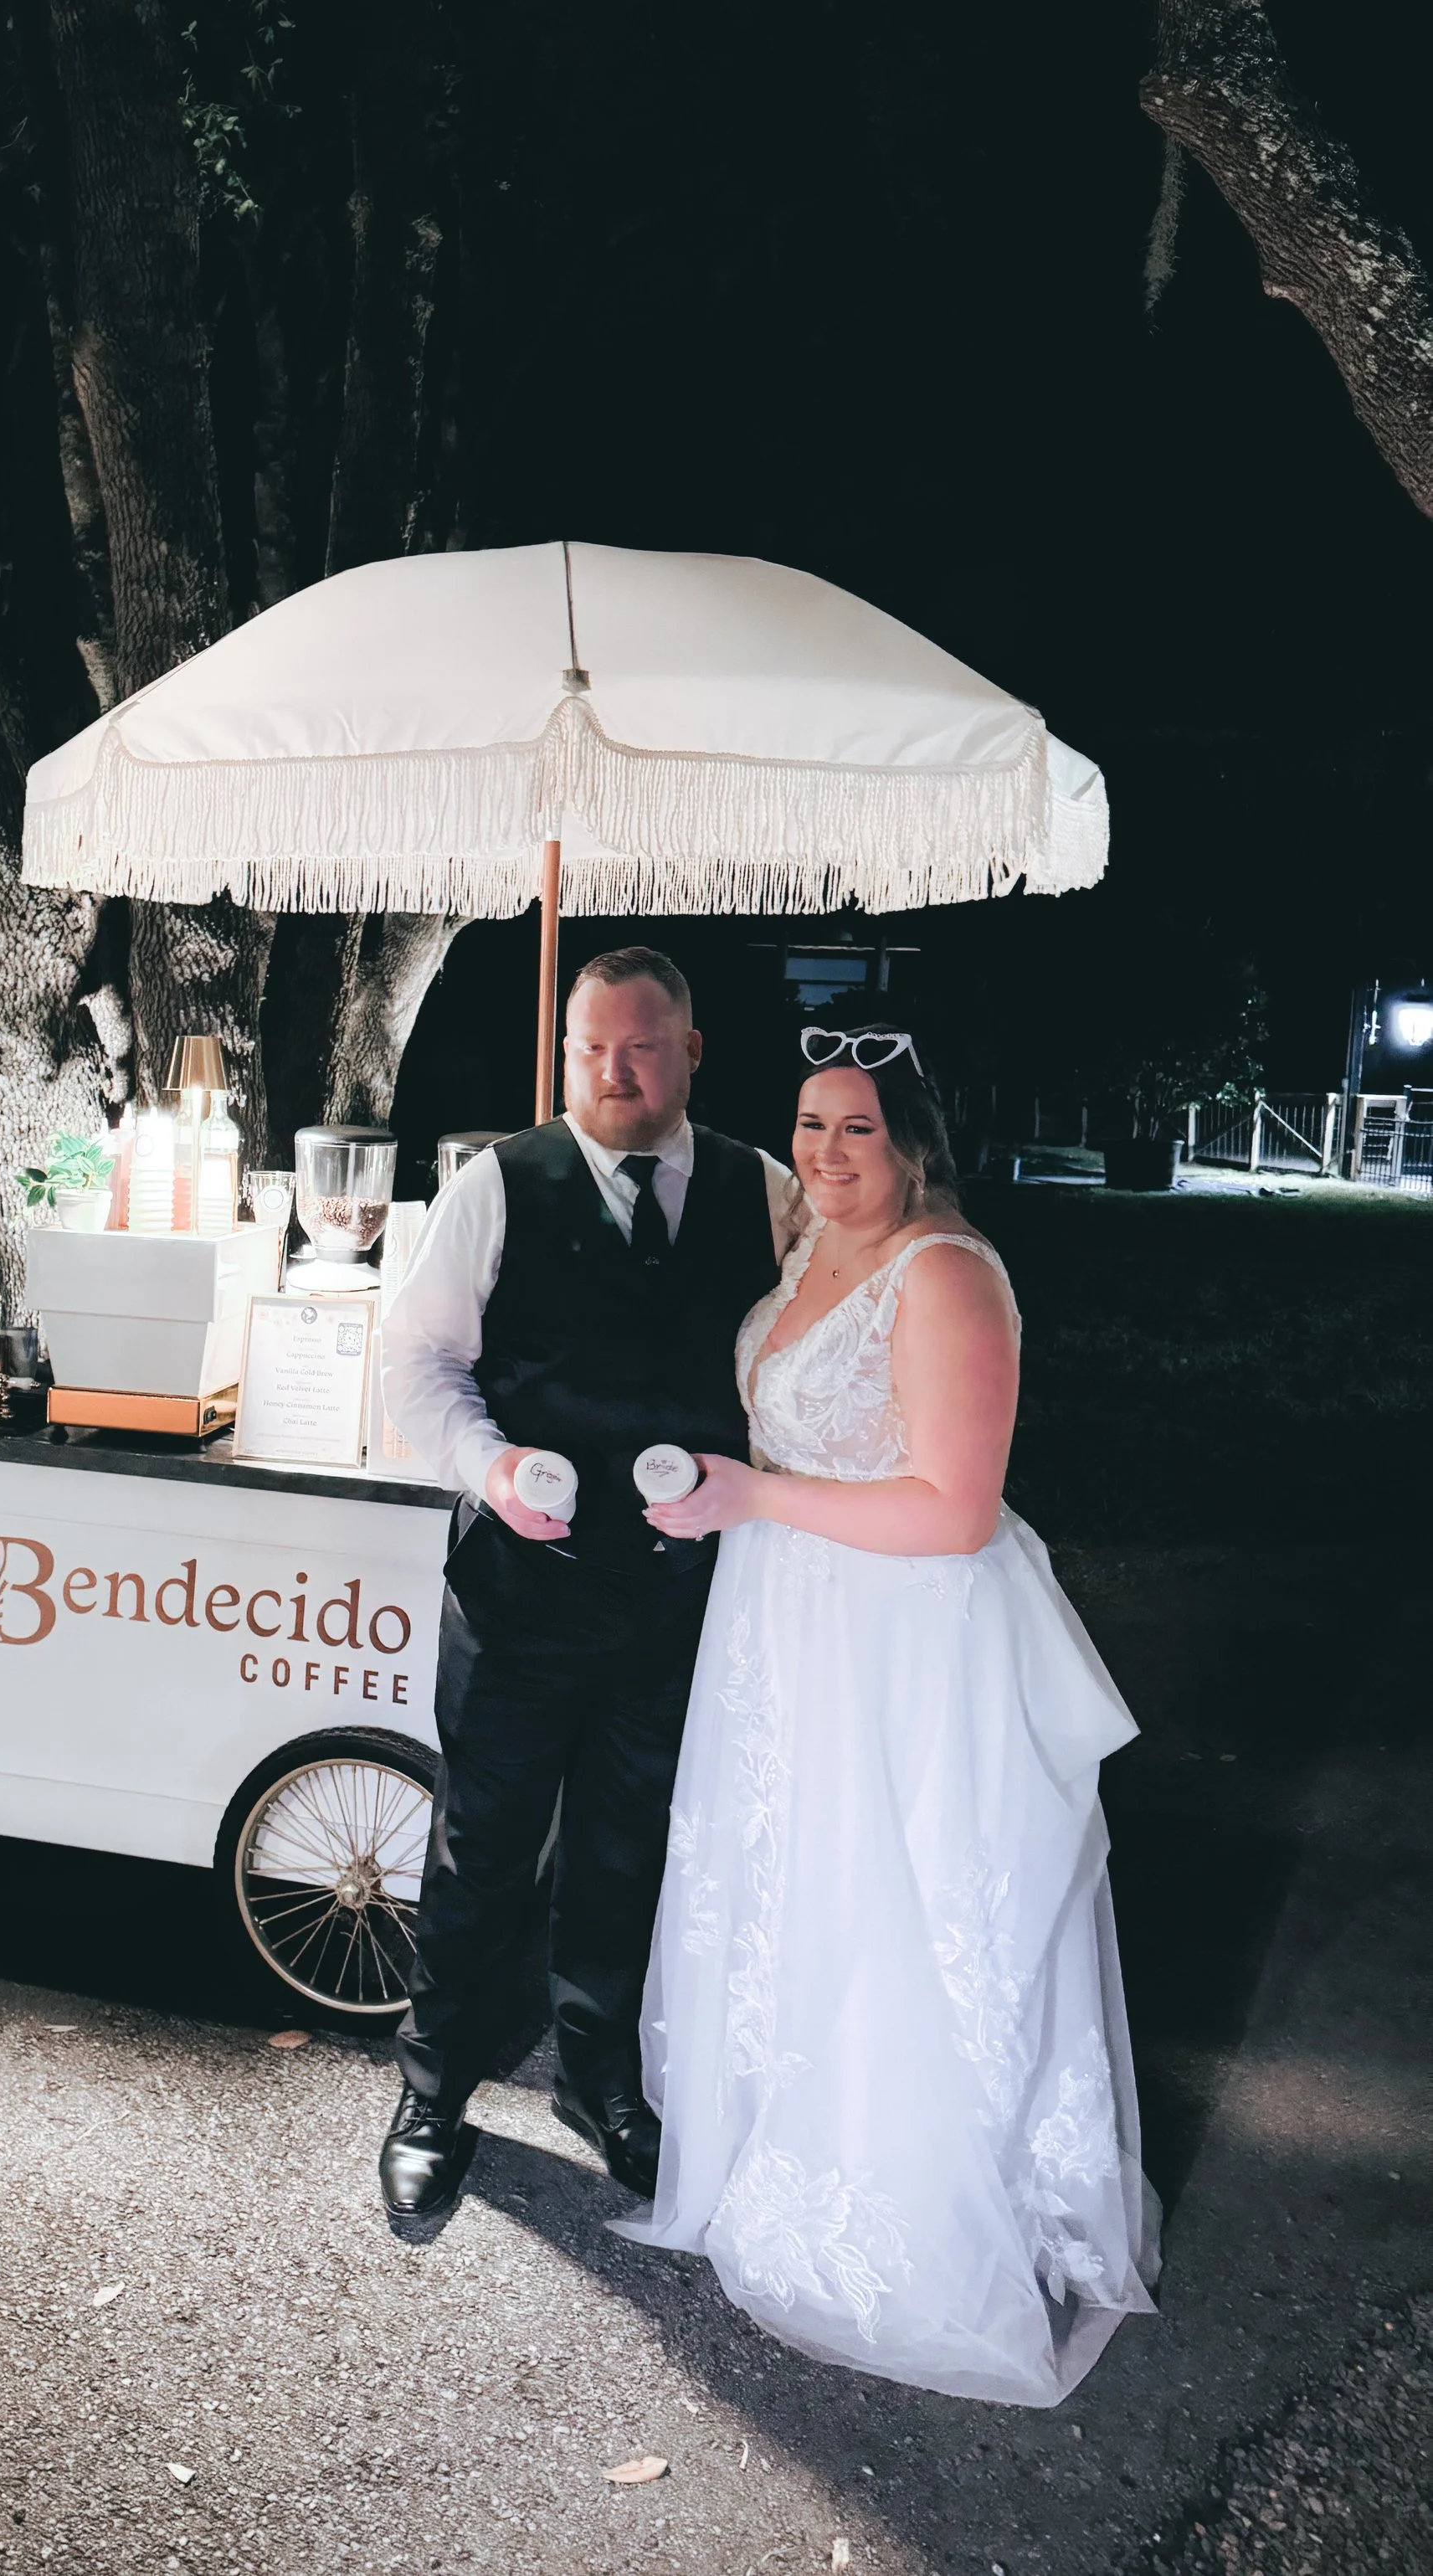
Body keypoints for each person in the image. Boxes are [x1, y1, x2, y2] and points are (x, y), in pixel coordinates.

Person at [614, 1026, 1158, 2404]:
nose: (825, 1153)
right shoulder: (813, 1249)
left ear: (913, 1143)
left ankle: (921, 2217)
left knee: (898, 1911)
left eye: (857, 1129)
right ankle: (776, 2158)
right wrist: (723, 1494)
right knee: (793, 1891)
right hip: (789, 1628)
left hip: (904, 1648)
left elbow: (953, 1508)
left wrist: (754, 1495)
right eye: (808, 1125)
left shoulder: (948, 1274)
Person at [377, 946, 806, 2228]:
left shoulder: (766, 1191)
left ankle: (601, 2078)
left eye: (642, 1047)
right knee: (484, 1848)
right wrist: (489, 1465)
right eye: (591, 1049)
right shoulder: (496, 1185)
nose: (615, 1072)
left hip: (682, 1597)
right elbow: (416, 1363)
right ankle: (434, 2089)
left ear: (691, 1051)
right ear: (565, 1053)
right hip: (523, 1588)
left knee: (634, 1848)